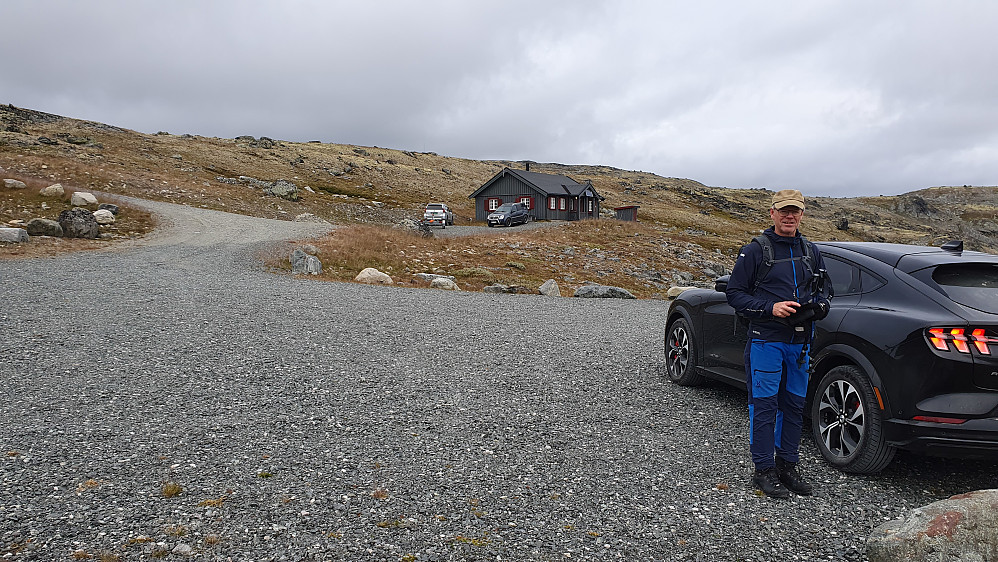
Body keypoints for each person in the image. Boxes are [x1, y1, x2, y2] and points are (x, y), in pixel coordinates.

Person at [726, 189, 829, 498]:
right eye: (784, 210)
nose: (789, 215)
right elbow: (734, 294)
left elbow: (825, 290)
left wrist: (821, 306)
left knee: (795, 408)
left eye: (795, 210)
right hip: (766, 341)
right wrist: (770, 308)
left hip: (800, 343)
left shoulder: (811, 250)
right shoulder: (755, 251)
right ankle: (764, 470)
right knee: (765, 407)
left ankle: (787, 466)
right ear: (772, 212)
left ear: (802, 214)